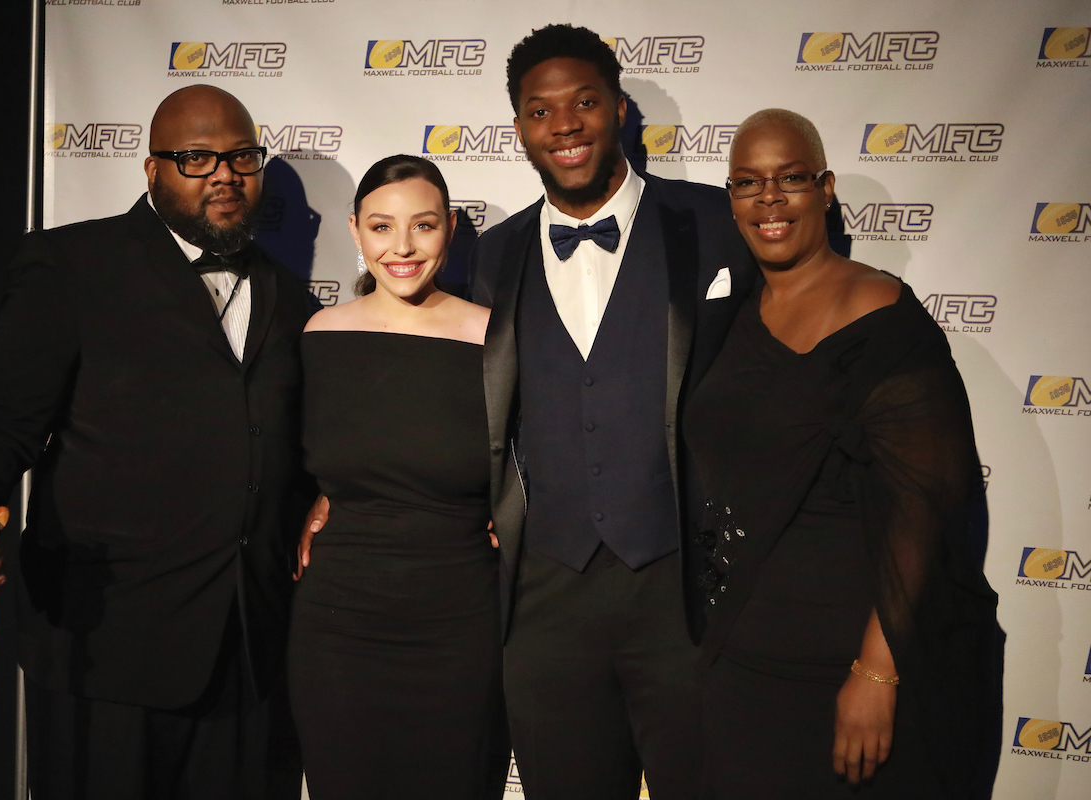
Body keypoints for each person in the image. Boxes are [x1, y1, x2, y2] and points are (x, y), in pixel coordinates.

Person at [0, 85, 312, 800]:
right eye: (196, 158)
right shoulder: (72, 264)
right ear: (153, 169)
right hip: (105, 651)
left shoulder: (293, 299)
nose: (224, 174)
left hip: (248, 657)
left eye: (242, 157)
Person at [468, 24, 757, 800]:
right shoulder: (491, 257)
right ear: (520, 128)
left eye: (585, 102)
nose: (564, 125)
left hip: (686, 592)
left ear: (620, 109)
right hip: (546, 601)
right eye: (540, 110)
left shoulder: (716, 224)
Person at [683, 108, 1001, 798]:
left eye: (791, 178)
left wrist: (876, 672)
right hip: (741, 659)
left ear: (825, 189)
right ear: (731, 199)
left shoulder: (881, 314)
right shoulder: (735, 314)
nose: (769, 198)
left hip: (842, 667)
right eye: (748, 182)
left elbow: (925, 508)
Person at [288, 155, 507, 799]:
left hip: (460, 621)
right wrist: (309, 501)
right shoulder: (320, 335)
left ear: (452, 228)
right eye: (382, 227)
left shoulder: (495, 338)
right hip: (339, 624)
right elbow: (285, 458)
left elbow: (537, 460)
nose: (402, 248)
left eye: (423, 225)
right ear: (355, 230)